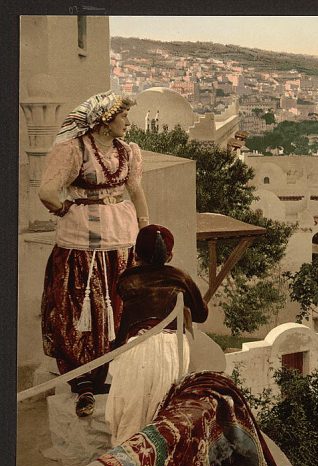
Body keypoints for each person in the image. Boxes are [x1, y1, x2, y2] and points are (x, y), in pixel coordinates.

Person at [39, 90, 150, 417]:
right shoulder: (74, 150)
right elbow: (47, 191)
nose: (128, 122)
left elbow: (136, 191)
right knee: (81, 306)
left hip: (120, 238)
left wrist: (145, 229)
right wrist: (65, 210)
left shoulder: (126, 152)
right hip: (82, 243)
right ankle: (83, 379)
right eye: (123, 116)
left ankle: (112, 371)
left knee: (118, 304)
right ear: (104, 120)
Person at [105, 224, 209, 445]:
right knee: (162, 418)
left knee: (129, 420)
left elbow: (121, 320)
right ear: (169, 254)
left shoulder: (126, 280)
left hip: (136, 348)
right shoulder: (180, 277)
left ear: (136, 253)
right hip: (173, 350)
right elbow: (201, 315)